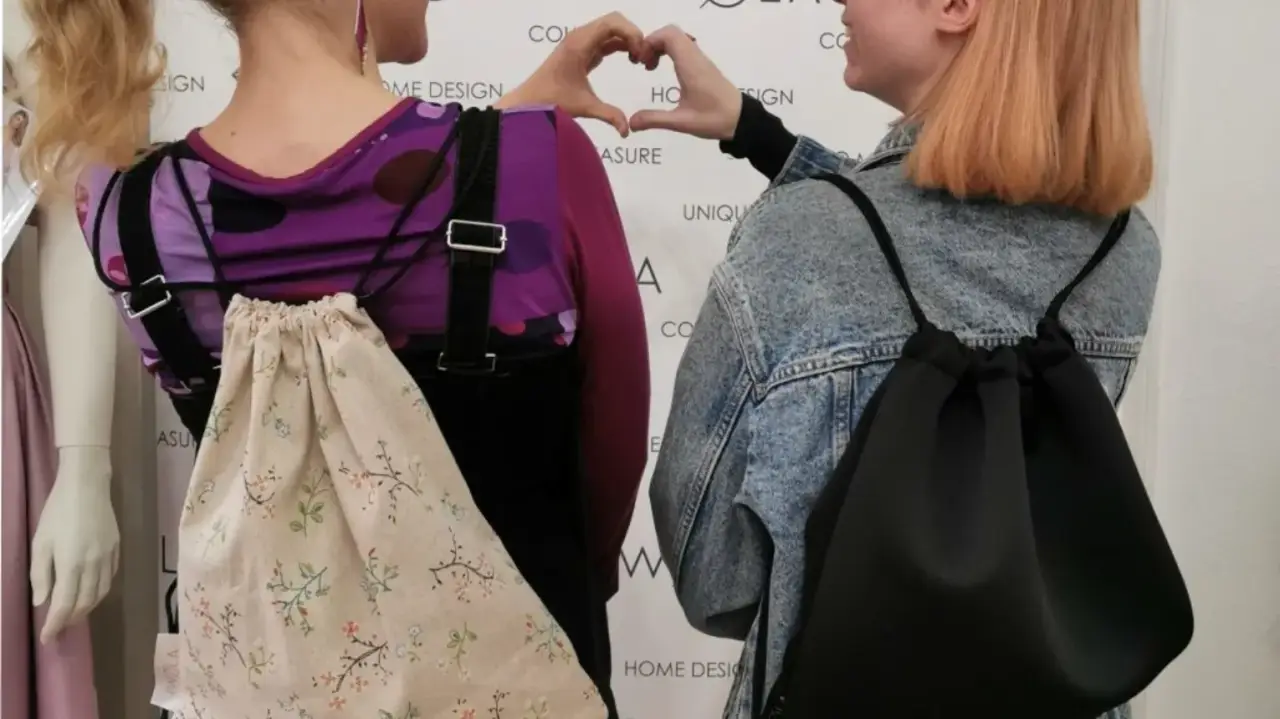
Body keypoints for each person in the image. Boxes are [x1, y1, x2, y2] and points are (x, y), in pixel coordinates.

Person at [21, 0, 652, 712]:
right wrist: (513, 145)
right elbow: (612, 456)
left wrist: (501, 136)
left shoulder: (129, 215)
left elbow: (309, 228)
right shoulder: (543, 164)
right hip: (522, 664)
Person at [637, 2, 1156, 718]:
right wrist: (757, 134)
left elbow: (714, 578)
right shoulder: (1126, 249)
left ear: (956, 6)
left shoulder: (796, 240)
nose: (842, 4)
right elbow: (923, 239)